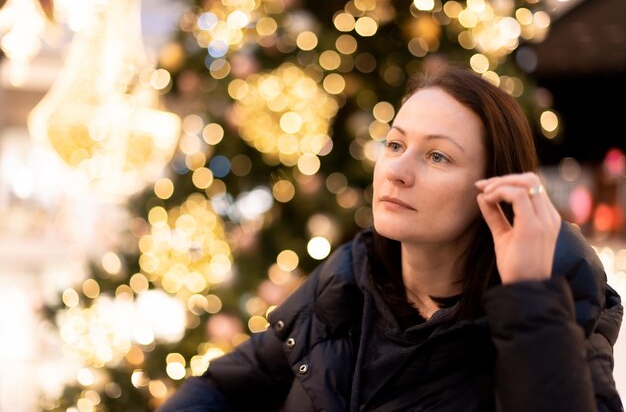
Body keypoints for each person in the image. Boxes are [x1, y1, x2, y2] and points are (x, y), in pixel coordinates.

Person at [156, 64, 624, 412]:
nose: (397, 171)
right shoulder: (348, 277)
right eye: (396, 145)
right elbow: (222, 386)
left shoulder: (557, 308)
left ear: (494, 189)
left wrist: (528, 297)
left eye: (438, 156)